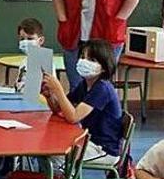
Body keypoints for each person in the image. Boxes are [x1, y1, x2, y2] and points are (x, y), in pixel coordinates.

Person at [42, 40, 122, 168]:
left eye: (92, 60)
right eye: (83, 57)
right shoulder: (85, 84)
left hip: (103, 149)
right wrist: (50, 96)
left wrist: (58, 89)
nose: (84, 61)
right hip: (88, 140)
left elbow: (73, 117)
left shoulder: (102, 88)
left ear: (104, 67)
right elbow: (61, 109)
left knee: (57, 155)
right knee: (49, 147)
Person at [14, 18, 52, 92]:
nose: (25, 42)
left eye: (30, 39)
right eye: (22, 39)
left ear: (41, 40)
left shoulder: (44, 60)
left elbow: (48, 89)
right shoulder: (24, 62)